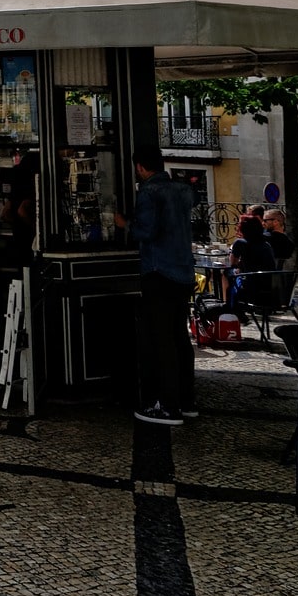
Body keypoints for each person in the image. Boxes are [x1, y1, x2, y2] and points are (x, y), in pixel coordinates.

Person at [113, 145, 197, 426]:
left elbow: (146, 231)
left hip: (159, 271)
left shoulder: (149, 192)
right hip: (184, 271)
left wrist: (125, 223)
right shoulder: (183, 190)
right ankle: (187, 400)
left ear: (140, 168)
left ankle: (168, 406)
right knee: (180, 337)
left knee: (162, 341)